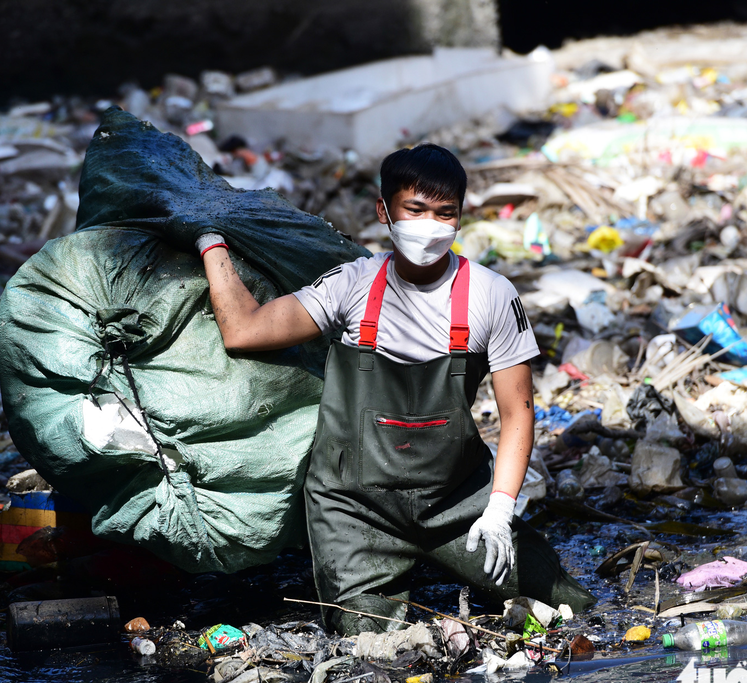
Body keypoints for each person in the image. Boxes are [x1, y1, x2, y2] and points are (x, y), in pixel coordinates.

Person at [187, 143, 595, 634]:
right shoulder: (350, 285)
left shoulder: (491, 294)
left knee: (568, 608)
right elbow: (244, 330)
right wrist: (211, 243)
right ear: (384, 211)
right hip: (355, 510)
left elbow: (518, 413)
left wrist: (500, 509)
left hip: (456, 502)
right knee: (371, 647)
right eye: (415, 209)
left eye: (445, 213)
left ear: (460, 219)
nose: (430, 225)